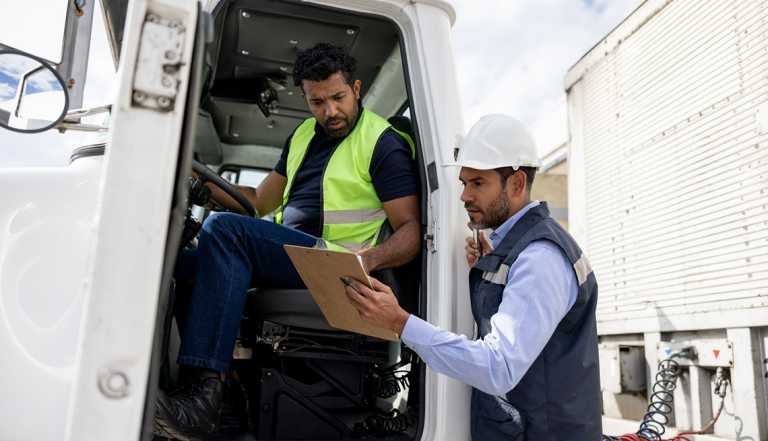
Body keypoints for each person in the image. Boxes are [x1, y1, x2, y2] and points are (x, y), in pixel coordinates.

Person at [153, 43, 421, 440]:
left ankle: (203, 398)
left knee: (225, 231)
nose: (330, 111)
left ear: (356, 89)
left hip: (335, 264)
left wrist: (369, 260)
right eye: (318, 102)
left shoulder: (382, 143)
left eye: (338, 98)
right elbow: (259, 202)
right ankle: (213, 393)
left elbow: (411, 230)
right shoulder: (301, 136)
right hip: (292, 255)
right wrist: (199, 182)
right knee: (177, 264)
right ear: (305, 98)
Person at [342, 115, 602, 440]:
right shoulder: (512, 250)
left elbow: (498, 368)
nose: (464, 196)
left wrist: (399, 322)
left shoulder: (540, 258)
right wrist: (486, 267)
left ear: (517, 184)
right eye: (464, 183)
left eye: (478, 183)